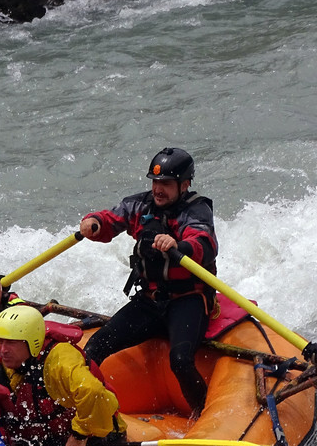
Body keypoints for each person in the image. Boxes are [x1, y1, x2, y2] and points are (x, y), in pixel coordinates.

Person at [78, 146, 218, 415]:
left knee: (179, 361)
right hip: (150, 300)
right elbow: (111, 219)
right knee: (94, 347)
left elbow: (203, 242)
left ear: (184, 184)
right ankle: (89, 413)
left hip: (188, 300)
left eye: (165, 183)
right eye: (155, 182)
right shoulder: (139, 205)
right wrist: (93, 221)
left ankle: (203, 414)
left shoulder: (196, 210)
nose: (158, 190)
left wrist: (179, 245)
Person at [0, 305, 127, 446]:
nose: (3, 349)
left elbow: (93, 392)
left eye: (11, 342)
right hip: (47, 436)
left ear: (32, 340)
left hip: (96, 435)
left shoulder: (61, 358)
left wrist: (80, 435)